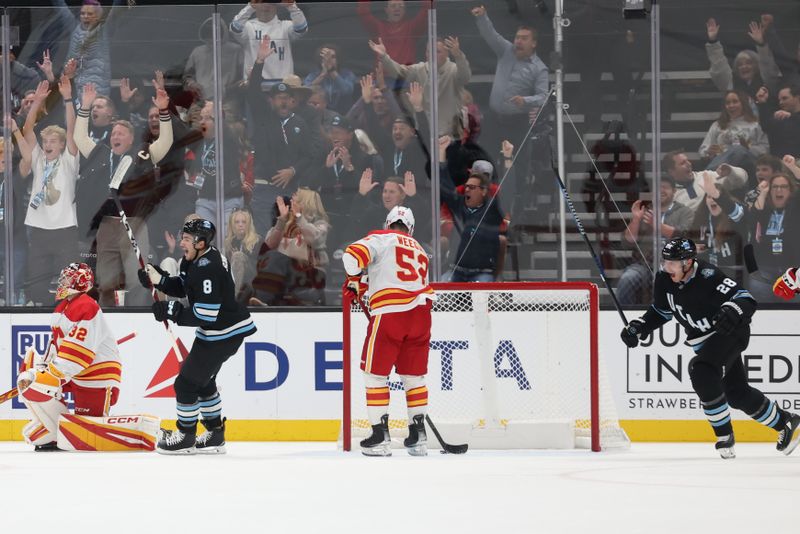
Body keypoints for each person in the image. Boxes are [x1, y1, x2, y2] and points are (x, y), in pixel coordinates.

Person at [620, 237, 800, 459]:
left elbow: (746, 299)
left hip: (731, 332)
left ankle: (724, 436)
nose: (668, 267)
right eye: (666, 262)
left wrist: (733, 309)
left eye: (673, 263)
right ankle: (785, 421)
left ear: (688, 263)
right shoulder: (664, 279)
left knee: (702, 370)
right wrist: (640, 327)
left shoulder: (708, 276)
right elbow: (661, 311)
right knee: (736, 394)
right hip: (706, 341)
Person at [138, 219, 256, 454]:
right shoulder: (195, 259)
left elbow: (205, 315)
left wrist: (171, 310)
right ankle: (215, 434)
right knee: (203, 382)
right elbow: (184, 287)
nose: (182, 242)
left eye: (187, 239)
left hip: (223, 333)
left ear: (201, 243)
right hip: (220, 332)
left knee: (185, 384)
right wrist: (160, 280)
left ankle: (185, 436)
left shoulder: (208, 268)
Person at [342, 205, 436, 456]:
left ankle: (380, 435)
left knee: (374, 374)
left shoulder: (381, 238)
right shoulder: (421, 250)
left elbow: (351, 256)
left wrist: (353, 278)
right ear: (411, 229)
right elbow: (393, 275)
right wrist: (364, 283)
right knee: (414, 377)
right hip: (421, 316)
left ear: (388, 223)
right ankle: (418, 436)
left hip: (391, 313)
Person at [74, 82, 174, 307]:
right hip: (106, 225)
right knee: (105, 280)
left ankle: (137, 319)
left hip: (135, 223)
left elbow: (166, 142)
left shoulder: (144, 154)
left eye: (120, 133)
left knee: (137, 277)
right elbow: (80, 138)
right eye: (113, 133)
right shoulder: (101, 152)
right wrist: (85, 107)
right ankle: (109, 318)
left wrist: (164, 111)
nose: (114, 136)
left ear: (130, 139)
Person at [15, 262, 121, 450]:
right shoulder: (64, 307)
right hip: (76, 373)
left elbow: (77, 354)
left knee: (87, 437)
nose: (61, 282)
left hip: (96, 377)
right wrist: (42, 368)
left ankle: (68, 430)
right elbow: (56, 345)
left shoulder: (87, 306)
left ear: (80, 282)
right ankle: (55, 429)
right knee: (30, 378)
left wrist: (52, 373)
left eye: (66, 278)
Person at [18, 78, 80, 306]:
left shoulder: (69, 160)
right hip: (39, 229)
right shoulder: (38, 159)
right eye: (45, 141)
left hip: (65, 230)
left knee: (70, 284)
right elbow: (27, 129)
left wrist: (67, 99)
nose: (48, 144)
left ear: (62, 144)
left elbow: (72, 131)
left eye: (53, 141)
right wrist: (38, 102)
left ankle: (69, 315)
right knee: (36, 284)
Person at [369, 35, 471, 137]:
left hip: (453, 135)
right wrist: (384, 56)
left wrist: (458, 55)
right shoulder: (420, 69)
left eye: (437, 51)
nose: (432, 55)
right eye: (428, 51)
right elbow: (399, 72)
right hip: (428, 134)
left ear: (447, 53)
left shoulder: (453, 70)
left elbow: (465, 77)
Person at [230, 0, 308, 83]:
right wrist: (250, 7)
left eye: (271, 2)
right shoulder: (248, 27)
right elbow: (234, 29)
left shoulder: (285, 26)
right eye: (262, 1)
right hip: (255, 83)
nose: (266, 4)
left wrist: (291, 6)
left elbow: (301, 29)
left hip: (283, 84)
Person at [698, 90, 768, 177]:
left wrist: (748, 148)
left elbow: (765, 148)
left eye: (735, 102)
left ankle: (706, 175)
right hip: (722, 165)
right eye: (728, 103)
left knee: (738, 149)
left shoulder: (755, 125)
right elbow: (703, 150)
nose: (731, 106)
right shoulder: (717, 125)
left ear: (743, 104)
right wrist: (708, 152)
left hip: (747, 166)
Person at [356, 0, 430, 66]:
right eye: (393, 6)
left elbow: (427, 9)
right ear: (386, 10)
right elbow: (363, 11)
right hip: (383, 77)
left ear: (404, 10)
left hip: (405, 77)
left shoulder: (412, 27)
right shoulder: (378, 27)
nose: (397, 9)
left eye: (401, 6)